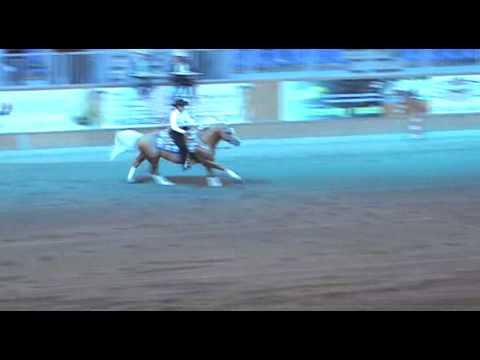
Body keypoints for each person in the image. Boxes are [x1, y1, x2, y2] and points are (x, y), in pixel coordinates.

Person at [169, 99, 196, 170]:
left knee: (196, 141)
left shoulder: (185, 112)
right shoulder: (173, 114)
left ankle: (194, 157)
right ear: (177, 106)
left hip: (185, 128)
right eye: (182, 106)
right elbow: (174, 127)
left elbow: (189, 120)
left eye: (184, 106)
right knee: (182, 146)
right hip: (176, 131)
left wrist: (194, 124)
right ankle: (184, 163)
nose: (183, 107)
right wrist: (184, 132)